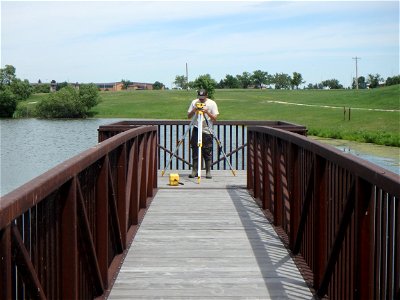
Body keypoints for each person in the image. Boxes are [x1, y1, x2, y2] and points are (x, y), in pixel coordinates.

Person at [187, 89, 219, 179]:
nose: (201, 100)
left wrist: (206, 112)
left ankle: (208, 171)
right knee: (195, 150)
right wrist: (195, 110)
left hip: (207, 130)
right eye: (200, 98)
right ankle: (194, 171)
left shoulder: (212, 103)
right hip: (196, 128)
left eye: (203, 98)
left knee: (207, 151)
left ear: (206, 96)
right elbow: (189, 116)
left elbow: (215, 118)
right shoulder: (194, 102)